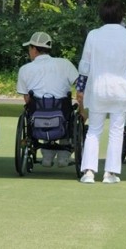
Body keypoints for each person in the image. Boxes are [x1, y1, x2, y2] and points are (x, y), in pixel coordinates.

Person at [76, 0, 126, 184]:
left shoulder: (93, 35)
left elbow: (85, 65)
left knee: (93, 130)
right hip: (121, 90)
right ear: (122, 15)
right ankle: (110, 173)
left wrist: (80, 89)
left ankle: (88, 172)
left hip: (98, 89)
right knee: (116, 131)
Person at [16, 31, 79, 168]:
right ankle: (63, 156)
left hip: (37, 114)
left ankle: (47, 155)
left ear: (34, 49)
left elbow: (27, 99)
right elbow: (79, 85)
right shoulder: (65, 64)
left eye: (29, 48)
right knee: (67, 116)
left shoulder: (24, 69)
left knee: (38, 111)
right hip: (62, 113)